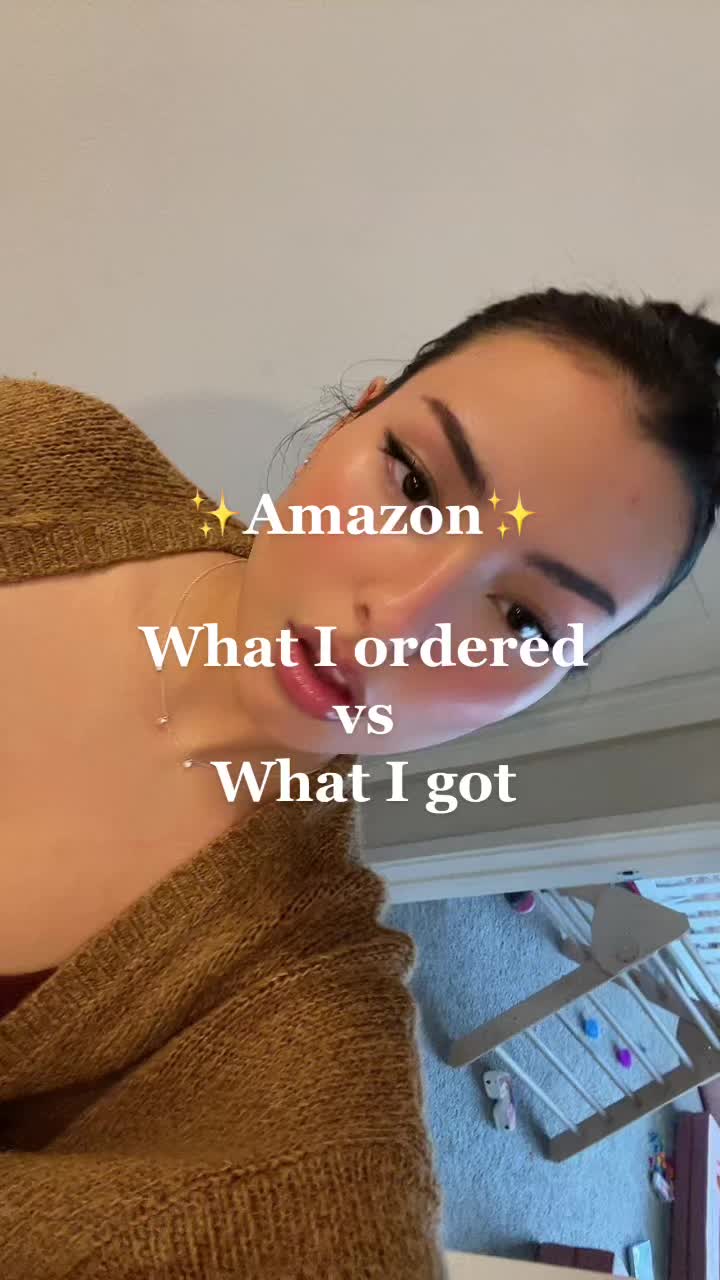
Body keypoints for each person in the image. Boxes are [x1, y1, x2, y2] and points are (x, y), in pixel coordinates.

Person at [0, 287, 718, 1278]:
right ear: (356, 415)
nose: (403, 619)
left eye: (524, 620)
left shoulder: (294, 999)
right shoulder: (42, 452)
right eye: (416, 482)